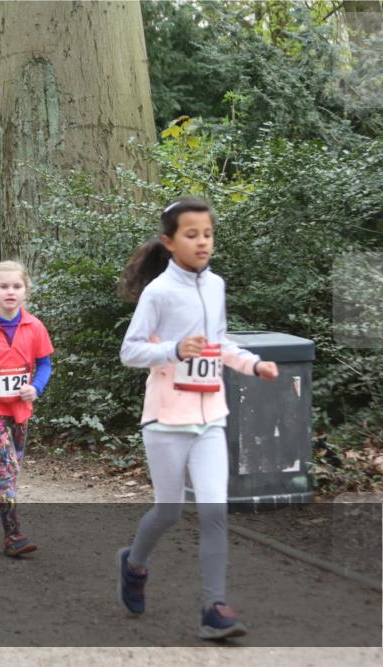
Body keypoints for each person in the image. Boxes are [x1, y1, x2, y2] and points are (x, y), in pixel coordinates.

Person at [116, 196, 279, 640]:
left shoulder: (216, 285)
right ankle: (133, 565)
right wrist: (172, 349)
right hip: (167, 418)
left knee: (213, 510)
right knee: (168, 511)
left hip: (211, 417)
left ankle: (214, 607)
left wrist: (253, 364)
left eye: (207, 234)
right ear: (169, 242)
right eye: (192, 235)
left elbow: (220, 342)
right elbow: (129, 351)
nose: (202, 242)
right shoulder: (158, 293)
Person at [0, 260, 54, 557]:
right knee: (9, 467)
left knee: (12, 467)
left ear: (26, 291)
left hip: (20, 408)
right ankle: (13, 535)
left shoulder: (34, 326)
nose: (10, 291)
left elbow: (45, 363)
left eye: (16, 286)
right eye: (4, 286)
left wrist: (36, 387)